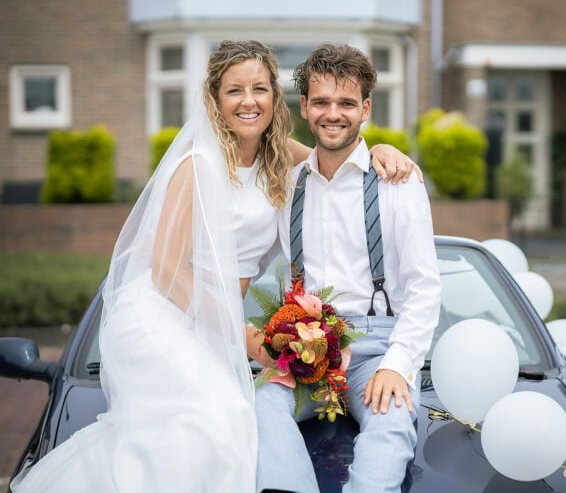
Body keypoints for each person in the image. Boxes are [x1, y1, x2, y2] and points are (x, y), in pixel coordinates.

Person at [10, 40, 416, 493]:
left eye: (259, 89)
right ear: (214, 99)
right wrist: (244, 335)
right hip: (164, 313)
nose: (248, 101)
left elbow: (338, 154)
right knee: (217, 419)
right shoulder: (197, 164)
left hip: (218, 325)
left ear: (275, 98)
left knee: (236, 417)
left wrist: (383, 149)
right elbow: (165, 267)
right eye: (234, 90)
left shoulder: (280, 155)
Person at [252, 43, 441, 493]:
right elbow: (245, 262)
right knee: (256, 403)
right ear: (305, 107)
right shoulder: (288, 185)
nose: (332, 113)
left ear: (365, 109)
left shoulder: (397, 183)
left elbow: (425, 288)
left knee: (392, 419)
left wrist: (396, 364)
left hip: (375, 347)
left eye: (346, 103)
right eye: (321, 102)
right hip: (301, 350)